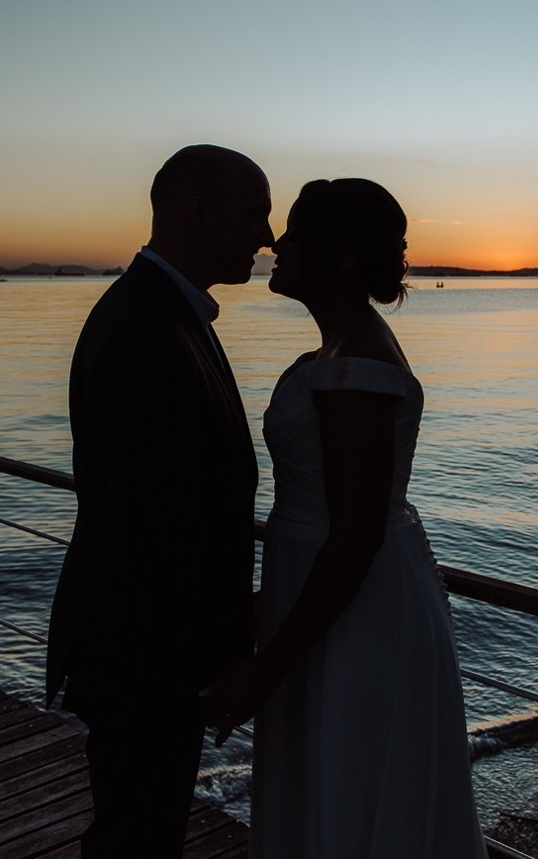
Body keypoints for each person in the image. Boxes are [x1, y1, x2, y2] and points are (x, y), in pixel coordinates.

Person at [205, 178, 487, 858]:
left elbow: (356, 534)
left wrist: (263, 668)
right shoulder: (343, 352)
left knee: (352, 782)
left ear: (343, 258)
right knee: (335, 782)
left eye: (296, 232)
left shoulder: (356, 367)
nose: (278, 243)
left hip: (356, 610)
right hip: (332, 594)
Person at [46, 144, 273, 859]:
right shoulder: (148, 328)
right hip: (145, 661)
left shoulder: (164, 313)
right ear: (196, 211)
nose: (266, 235)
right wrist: (222, 663)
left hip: (149, 655)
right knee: (136, 839)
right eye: (254, 214)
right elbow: (159, 529)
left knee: (139, 832)